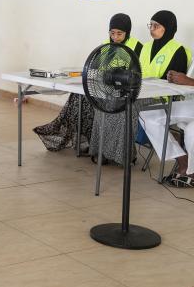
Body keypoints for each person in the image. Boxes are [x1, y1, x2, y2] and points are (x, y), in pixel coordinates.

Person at [90, 10, 191, 165]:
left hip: (160, 98)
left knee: (123, 107)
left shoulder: (179, 50)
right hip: (141, 92)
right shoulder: (147, 47)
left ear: (168, 27)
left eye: (156, 26)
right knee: (105, 102)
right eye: (151, 25)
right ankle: (102, 150)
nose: (152, 29)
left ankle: (122, 155)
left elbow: (175, 82)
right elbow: (136, 72)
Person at [34, 13, 141, 153]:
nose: (115, 37)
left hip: (122, 93)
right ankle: (90, 141)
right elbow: (94, 68)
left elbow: (136, 76)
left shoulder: (137, 48)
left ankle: (100, 146)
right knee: (78, 96)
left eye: (119, 34)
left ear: (127, 33)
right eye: (112, 33)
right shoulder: (105, 47)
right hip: (103, 88)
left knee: (88, 100)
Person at [140, 71, 194, 187]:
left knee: (191, 131)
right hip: (191, 103)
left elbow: (190, 81)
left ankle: (191, 171)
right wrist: (177, 79)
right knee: (148, 115)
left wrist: (189, 82)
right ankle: (183, 160)